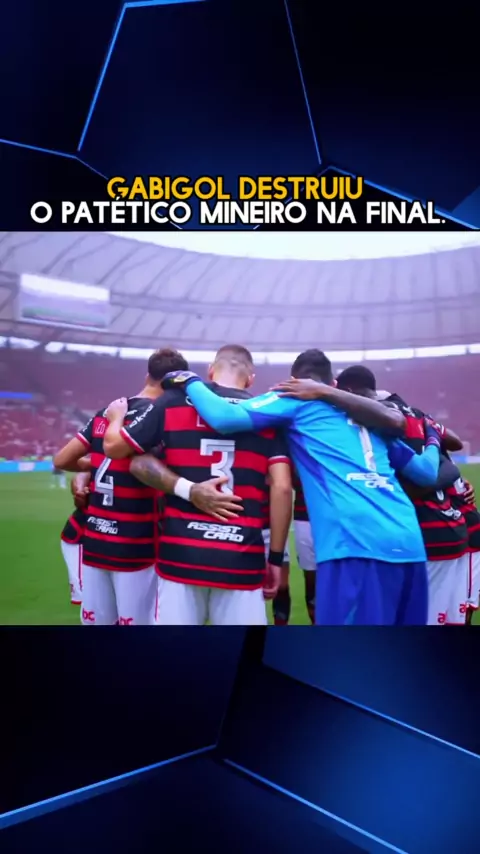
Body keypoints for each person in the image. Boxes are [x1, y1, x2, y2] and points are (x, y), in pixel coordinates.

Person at [159, 349, 445, 626]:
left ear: (295, 382)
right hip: (409, 543)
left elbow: (224, 418)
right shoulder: (369, 420)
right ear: (333, 383)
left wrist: (189, 380)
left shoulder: (296, 398)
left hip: (354, 543)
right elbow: (425, 472)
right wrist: (433, 436)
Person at [103, 345, 292, 626]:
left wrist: (188, 490)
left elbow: (127, 457)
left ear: (210, 372)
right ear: (250, 380)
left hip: (180, 555)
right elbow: (282, 488)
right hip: (241, 559)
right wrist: (275, 558)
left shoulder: (171, 402)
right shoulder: (267, 415)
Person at [53, 348, 238, 625]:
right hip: (137, 543)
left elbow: (62, 460)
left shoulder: (107, 413)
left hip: (95, 538)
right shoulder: (163, 416)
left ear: (146, 376)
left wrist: (91, 469)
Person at [336, 364, 470, 625]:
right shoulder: (417, 415)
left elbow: (417, 479)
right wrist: (437, 445)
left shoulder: (376, 422)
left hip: (422, 535)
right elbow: (451, 449)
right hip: (446, 529)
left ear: (350, 393)